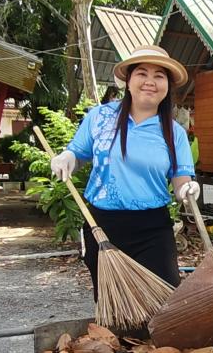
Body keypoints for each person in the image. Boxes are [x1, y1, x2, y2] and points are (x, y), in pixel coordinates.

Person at [49, 46, 199, 294]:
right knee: (114, 305)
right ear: (128, 81)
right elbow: (78, 154)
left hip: (153, 228)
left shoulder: (175, 133)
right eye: (142, 73)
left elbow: (180, 182)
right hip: (103, 226)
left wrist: (187, 189)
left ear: (167, 86)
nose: (150, 82)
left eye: (159, 76)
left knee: (163, 299)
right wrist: (66, 157)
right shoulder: (99, 117)